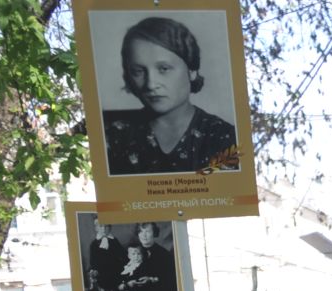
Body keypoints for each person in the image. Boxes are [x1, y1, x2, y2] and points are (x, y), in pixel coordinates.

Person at [101, 16, 239, 176]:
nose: (151, 84)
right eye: (138, 71)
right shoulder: (114, 136)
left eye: (164, 69)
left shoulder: (224, 139)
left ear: (192, 70)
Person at [129, 223, 179, 291]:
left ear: (154, 233)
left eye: (147, 231)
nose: (144, 235)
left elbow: (170, 280)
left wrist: (152, 280)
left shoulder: (164, 255)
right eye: (141, 232)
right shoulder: (133, 251)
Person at [87, 221, 126, 291]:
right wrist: (94, 268)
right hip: (101, 269)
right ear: (96, 228)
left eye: (106, 226)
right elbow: (93, 259)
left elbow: (122, 254)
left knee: (114, 276)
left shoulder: (114, 241)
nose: (104, 229)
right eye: (101, 226)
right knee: (103, 278)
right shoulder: (94, 244)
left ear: (110, 227)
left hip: (114, 267)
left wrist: (123, 263)